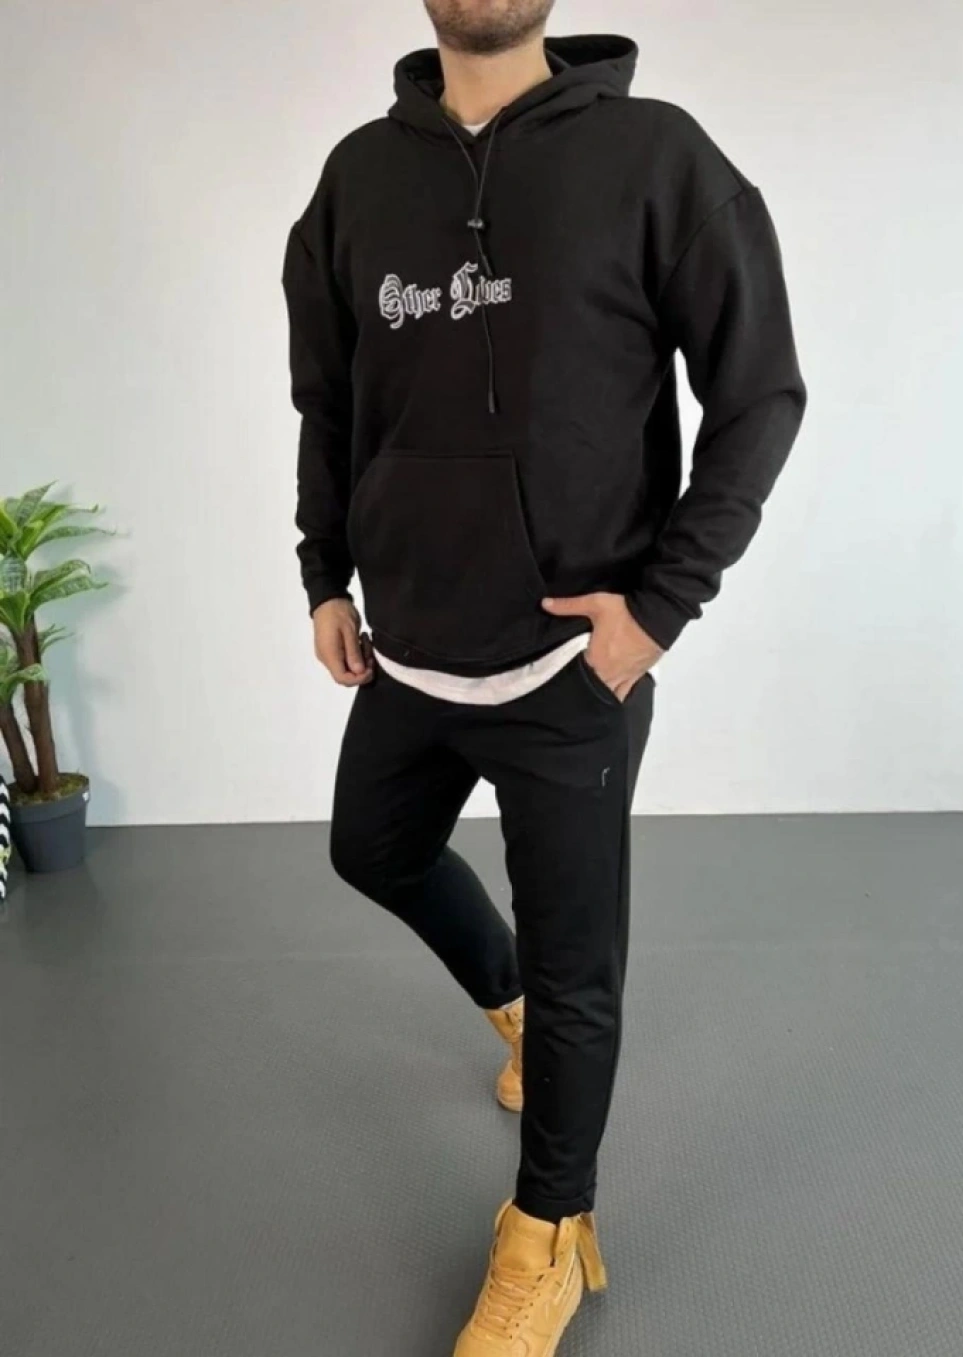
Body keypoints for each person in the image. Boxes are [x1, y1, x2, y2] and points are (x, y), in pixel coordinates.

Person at [282, 0, 806, 1350]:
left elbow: (759, 393)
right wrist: (326, 571)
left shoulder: (658, 157)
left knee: (583, 971)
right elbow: (328, 399)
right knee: (370, 848)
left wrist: (658, 611)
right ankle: (504, 1004)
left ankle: (552, 1232)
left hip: (575, 666)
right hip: (410, 646)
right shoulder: (358, 177)